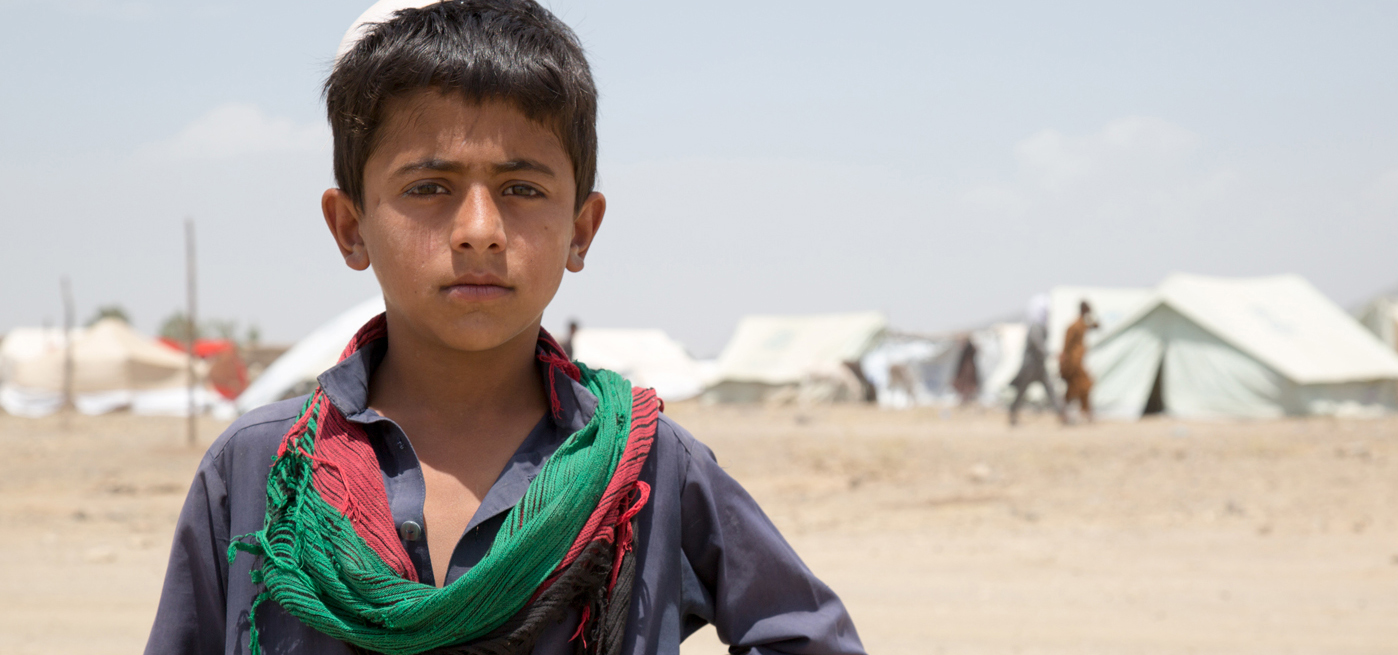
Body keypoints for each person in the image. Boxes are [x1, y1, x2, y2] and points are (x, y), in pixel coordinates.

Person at [143, 2, 864, 654]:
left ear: (581, 230)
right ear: (350, 226)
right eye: (429, 187)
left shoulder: (643, 468)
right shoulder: (262, 469)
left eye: (523, 189)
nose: (480, 230)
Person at [1008, 294, 1064, 426]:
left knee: (1051, 390)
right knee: (1021, 391)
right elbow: (1040, 346)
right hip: (1030, 367)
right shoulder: (1035, 328)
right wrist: (1052, 354)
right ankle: (1012, 414)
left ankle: (1062, 414)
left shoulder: (1041, 327)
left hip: (1039, 366)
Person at [1059, 300, 1099, 423]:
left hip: (1078, 361)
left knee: (1075, 388)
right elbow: (1066, 346)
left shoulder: (1082, 324)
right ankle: (1083, 412)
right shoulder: (1074, 326)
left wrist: (1091, 317)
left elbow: (1097, 326)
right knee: (1085, 384)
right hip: (1073, 362)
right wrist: (1064, 361)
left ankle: (1068, 413)